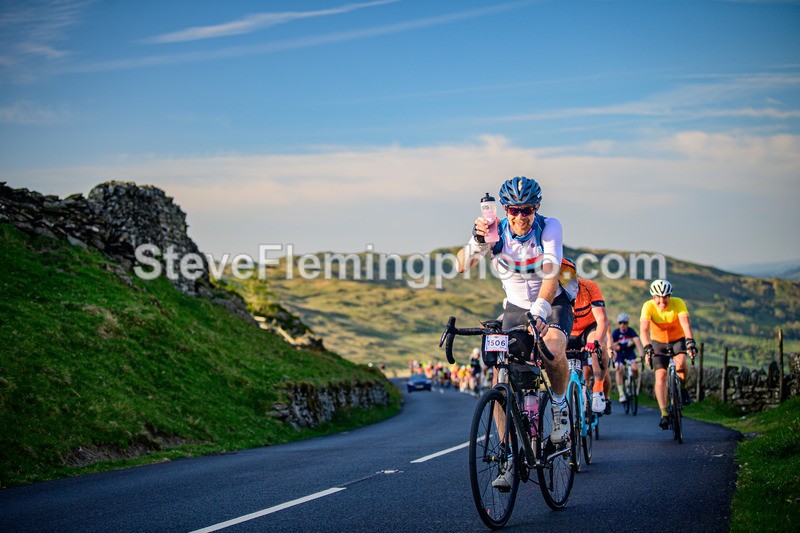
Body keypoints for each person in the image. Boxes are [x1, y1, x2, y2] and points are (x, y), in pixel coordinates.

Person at [457, 175, 572, 490]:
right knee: (501, 379)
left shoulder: (550, 227)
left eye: (526, 210)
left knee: (552, 347)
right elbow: (461, 265)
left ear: (536, 208)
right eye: (513, 211)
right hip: (514, 309)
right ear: (504, 209)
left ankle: (560, 410)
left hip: (552, 301)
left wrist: (540, 312)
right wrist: (477, 241)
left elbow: (551, 274)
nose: (520, 217)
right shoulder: (495, 231)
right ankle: (507, 457)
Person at [639, 279, 698, 430]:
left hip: (677, 340)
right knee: (660, 376)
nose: (662, 301)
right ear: (653, 297)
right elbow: (644, 331)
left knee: (681, 363)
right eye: (658, 297)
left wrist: (690, 342)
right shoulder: (648, 306)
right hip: (658, 342)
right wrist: (647, 347)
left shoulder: (678, 303)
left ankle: (683, 388)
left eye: (665, 297)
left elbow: (686, 324)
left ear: (669, 296)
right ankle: (664, 413)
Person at [560, 258, 611, 414]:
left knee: (599, 347)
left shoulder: (589, 286)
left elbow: (602, 320)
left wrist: (596, 341)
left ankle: (597, 390)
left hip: (588, 329)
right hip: (567, 330)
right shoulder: (554, 289)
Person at [611, 313, 644, 402]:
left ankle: (633, 382)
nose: (623, 325)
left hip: (630, 353)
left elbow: (638, 343)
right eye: (621, 323)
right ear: (618, 324)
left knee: (634, 368)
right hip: (619, 354)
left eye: (625, 323)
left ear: (628, 323)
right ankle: (621, 393)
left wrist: (641, 356)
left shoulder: (631, 331)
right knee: (620, 369)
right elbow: (614, 347)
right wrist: (624, 345)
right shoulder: (616, 333)